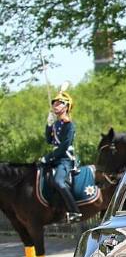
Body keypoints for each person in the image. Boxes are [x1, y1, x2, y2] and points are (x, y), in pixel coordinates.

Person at [40, 87, 82, 222]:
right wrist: (48, 124)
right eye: (54, 103)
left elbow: (64, 146)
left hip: (64, 159)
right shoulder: (56, 124)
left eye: (58, 103)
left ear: (66, 106)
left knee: (58, 181)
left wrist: (48, 157)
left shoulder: (69, 125)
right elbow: (49, 140)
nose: (54, 105)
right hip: (56, 157)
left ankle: (75, 211)